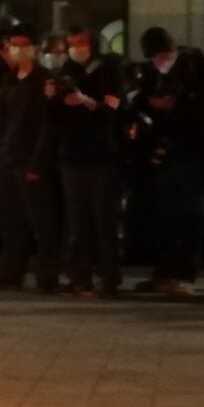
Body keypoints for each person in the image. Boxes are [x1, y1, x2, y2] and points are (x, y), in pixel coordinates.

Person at [128, 26, 204, 295]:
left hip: (189, 153)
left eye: (162, 56)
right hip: (159, 155)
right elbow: (136, 100)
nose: (159, 62)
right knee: (161, 216)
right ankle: (163, 271)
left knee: (187, 216)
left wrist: (179, 104)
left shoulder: (195, 67)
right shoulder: (150, 73)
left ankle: (185, 273)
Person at [49, 22, 125, 298]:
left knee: (104, 219)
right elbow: (53, 117)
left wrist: (90, 102)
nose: (76, 50)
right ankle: (79, 276)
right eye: (72, 45)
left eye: (81, 44)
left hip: (101, 155)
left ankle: (109, 277)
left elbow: (116, 104)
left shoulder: (109, 69)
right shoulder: (66, 71)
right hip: (71, 155)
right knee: (76, 221)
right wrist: (53, 99)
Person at [0, 24, 60, 292]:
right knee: (10, 219)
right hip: (7, 157)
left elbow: (47, 125)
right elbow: (3, 122)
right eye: (11, 45)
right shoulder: (9, 80)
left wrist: (38, 163)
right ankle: (11, 270)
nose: (15, 50)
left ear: (33, 48)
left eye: (20, 45)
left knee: (41, 220)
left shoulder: (44, 80)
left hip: (30, 159)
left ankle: (47, 274)